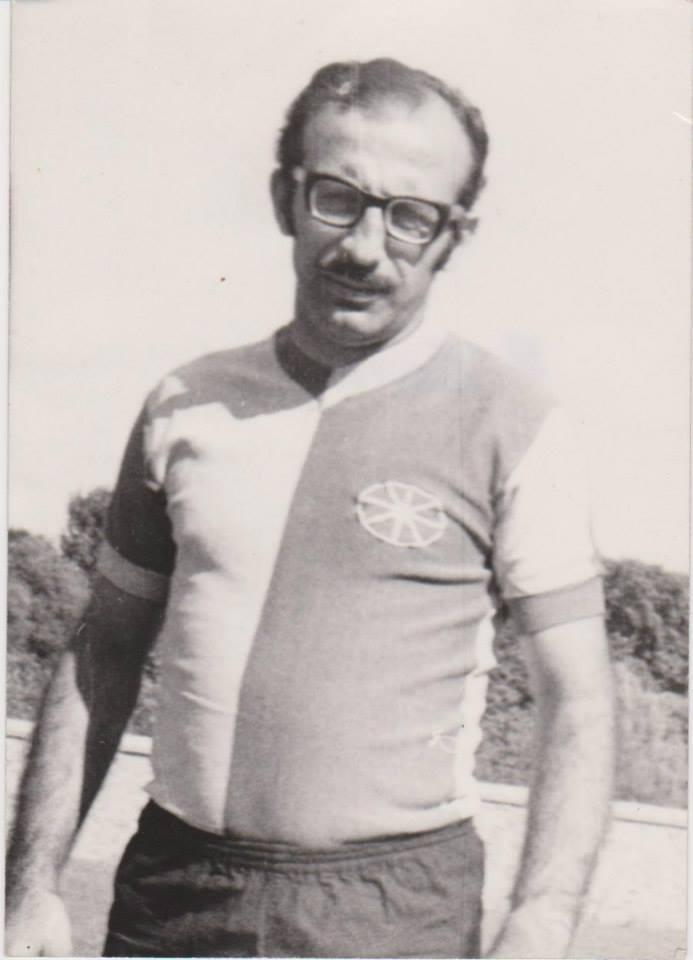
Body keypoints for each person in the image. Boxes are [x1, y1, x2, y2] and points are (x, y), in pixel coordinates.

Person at [6, 58, 614, 959]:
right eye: (338, 197)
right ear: (284, 198)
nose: (365, 246)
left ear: (454, 236)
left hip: (392, 912)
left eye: (410, 217)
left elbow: (577, 697)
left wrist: (542, 916)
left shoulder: (513, 424)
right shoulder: (185, 405)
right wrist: (30, 889)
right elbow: (105, 647)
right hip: (174, 896)